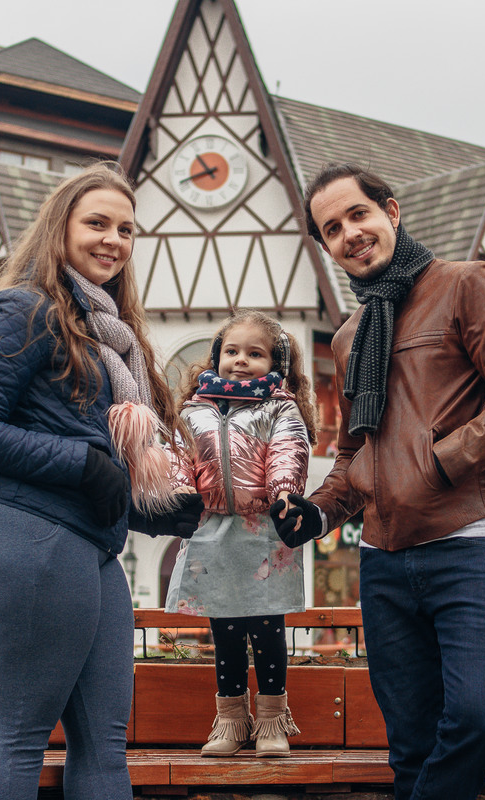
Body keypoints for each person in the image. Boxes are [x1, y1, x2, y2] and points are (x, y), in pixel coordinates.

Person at [271, 163, 485, 800]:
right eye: (332, 228)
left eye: (358, 215)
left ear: (391, 213)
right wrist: (315, 514)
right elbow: (356, 455)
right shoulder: (350, 337)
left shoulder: (466, 285)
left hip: (471, 541)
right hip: (383, 560)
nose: (349, 233)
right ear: (325, 248)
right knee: (409, 747)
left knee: (479, 717)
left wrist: (439, 462)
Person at [0, 162, 204, 800]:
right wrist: (84, 464)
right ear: (60, 230)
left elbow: (99, 472)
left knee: (106, 744)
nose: (113, 239)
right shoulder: (23, 310)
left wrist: (162, 513)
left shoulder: (110, 336)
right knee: (22, 735)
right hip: (27, 531)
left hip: (87, 543)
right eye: (97, 223)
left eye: (127, 230)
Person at [164, 310, 317, 758]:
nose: (241, 360)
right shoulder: (194, 409)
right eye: (232, 351)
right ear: (216, 356)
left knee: (267, 628)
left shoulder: (279, 407)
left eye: (256, 353)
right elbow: (178, 454)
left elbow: (289, 449)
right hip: (212, 528)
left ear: (276, 363)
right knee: (226, 632)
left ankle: (272, 720)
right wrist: (179, 492)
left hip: (263, 529)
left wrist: (285, 493)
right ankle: (231, 721)